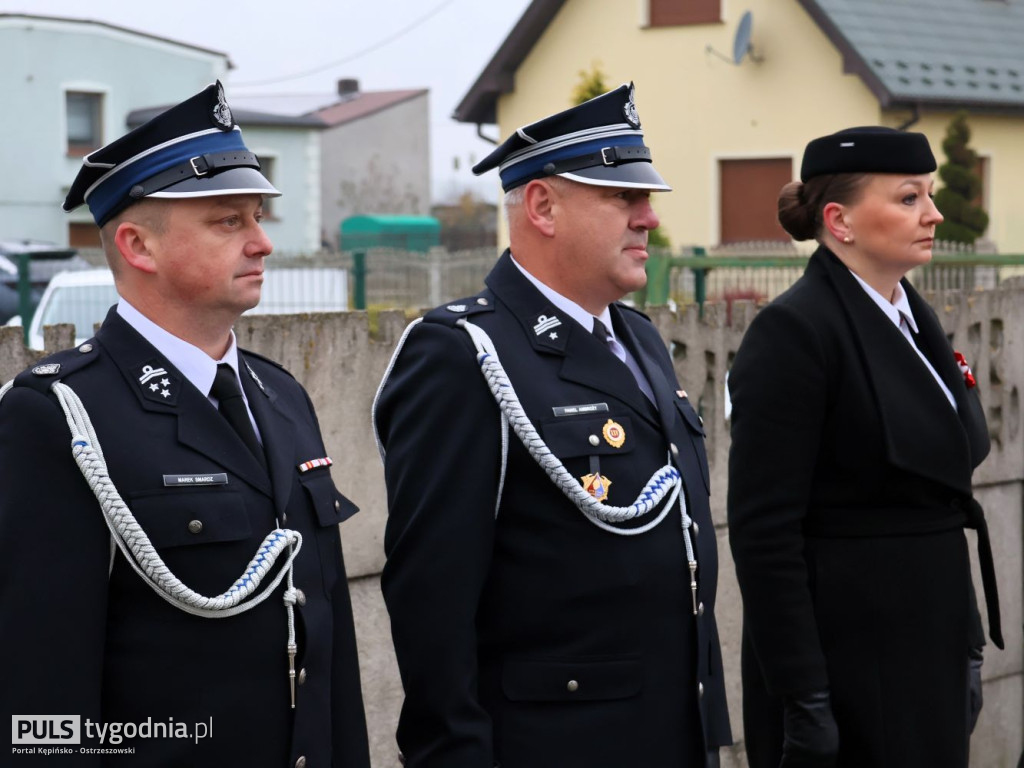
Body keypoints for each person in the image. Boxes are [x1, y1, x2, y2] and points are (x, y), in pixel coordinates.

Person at [0, 82, 370, 767]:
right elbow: (40, 694)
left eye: (258, 216)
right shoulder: (57, 416)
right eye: (229, 221)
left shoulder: (282, 397)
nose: (262, 242)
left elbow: (327, 645)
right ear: (139, 245)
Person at [373, 83, 732, 768]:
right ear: (542, 206)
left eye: (646, 199)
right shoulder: (463, 353)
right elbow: (432, 601)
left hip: (671, 734)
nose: (648, 218)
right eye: (623, 198)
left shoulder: (639, 339)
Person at [727, 126, 1003, 768]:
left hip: (924, 643)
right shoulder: (794, 332)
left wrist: (965, 641)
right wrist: (804, 696)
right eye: (909, 198)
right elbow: (764, 533)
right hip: (848, 659)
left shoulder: (912, 314)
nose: (933, 213)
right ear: (839, 221)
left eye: (929, 195)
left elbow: (941, 500)